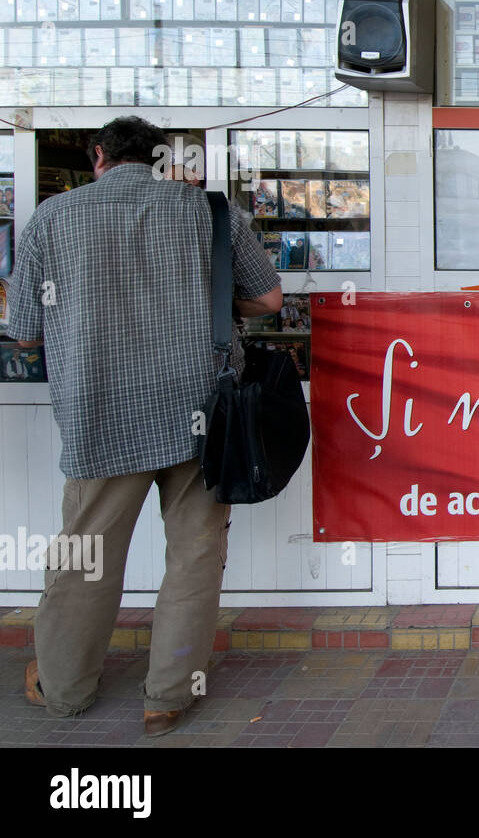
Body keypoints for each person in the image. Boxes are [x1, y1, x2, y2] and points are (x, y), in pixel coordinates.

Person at [9, 116, 282, 737]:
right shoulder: (210, 213)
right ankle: (167, 697)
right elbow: (268, 300)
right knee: (194, 555)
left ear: (99, 155)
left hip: (99, 413)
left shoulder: (54, 218)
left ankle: (64, 688)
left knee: (85, 558)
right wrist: (203, 297)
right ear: (161, 157)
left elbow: (24, 330)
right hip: (199, 412)